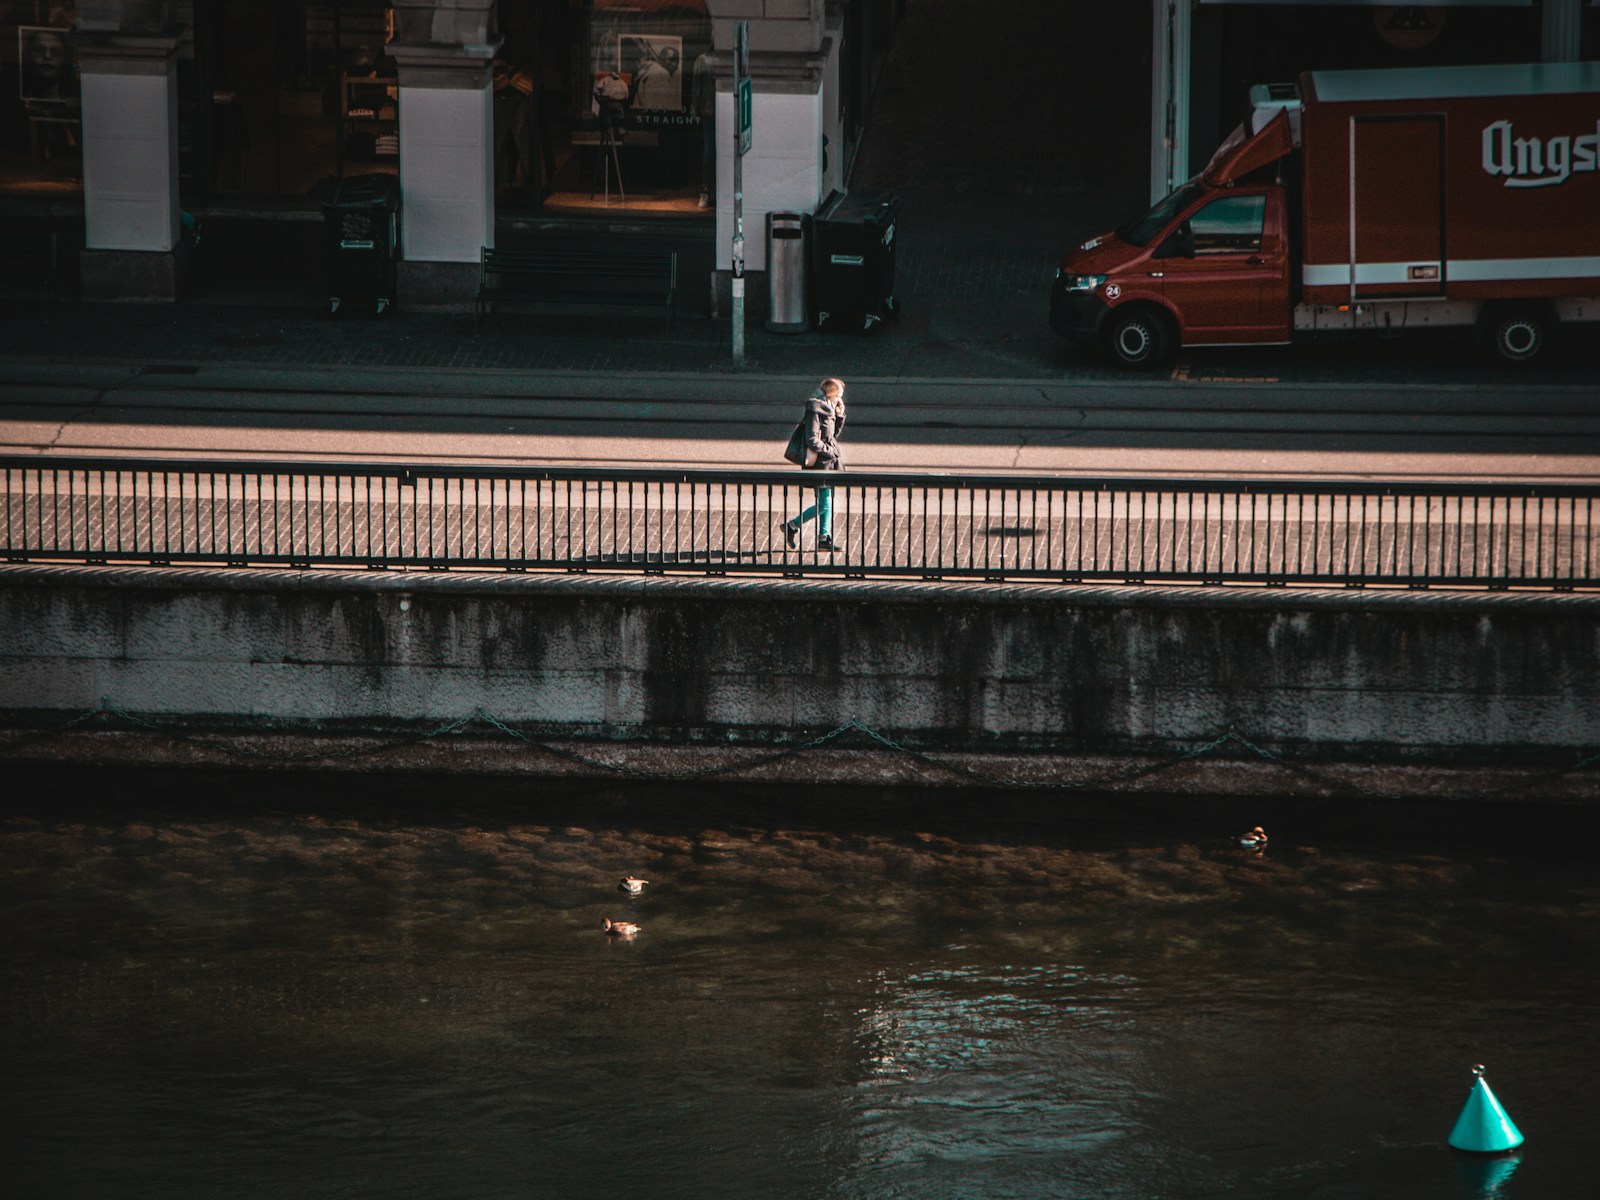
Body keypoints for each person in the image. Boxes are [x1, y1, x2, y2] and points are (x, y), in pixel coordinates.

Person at [782, 377, 847, 552]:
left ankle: (824, 537)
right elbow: (811, 439)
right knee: (825, 503)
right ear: (831, 393)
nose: (840, 399)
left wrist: (839, 416)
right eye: (839, 395)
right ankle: (792, 525)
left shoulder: (830, 409)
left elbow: (832, 435)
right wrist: (829, 451)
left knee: (828, 500)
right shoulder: (815, 411)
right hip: (820, 464)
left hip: (828, 462)